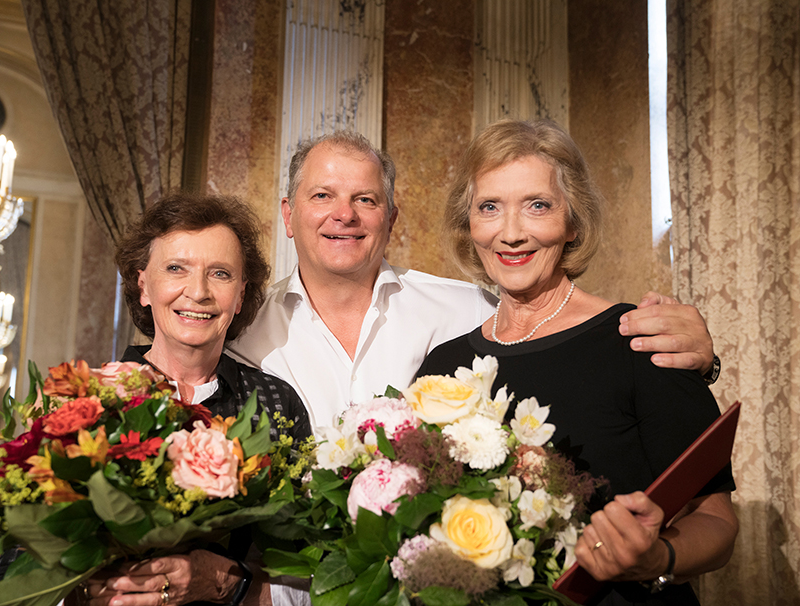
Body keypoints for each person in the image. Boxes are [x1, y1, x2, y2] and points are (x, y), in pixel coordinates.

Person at [416, 119, 738, 604]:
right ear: (469, 226)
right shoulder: (443, 366)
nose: (511, 233)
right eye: (489, 208)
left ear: (572, 221)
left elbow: (716, 521)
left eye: (537, 206)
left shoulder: (640, 339)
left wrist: (657, 559)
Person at [228, 130, 719, 429]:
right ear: (289, 217)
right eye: (322, 196)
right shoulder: (238, 334)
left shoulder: (474, 312)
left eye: (366, 199)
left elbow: (568, 348)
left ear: (391, 217)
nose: (344, 215)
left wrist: (699, 356)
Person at [82, 192, 311, 606]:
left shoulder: (276, 403)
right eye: (175, 269)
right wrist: (87, 592)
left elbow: (305, 570)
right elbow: (10, 569)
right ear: (143, 285)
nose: (199, 291)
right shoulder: (85, 400)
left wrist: (228, 582)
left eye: (220, 274)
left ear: (240, 296)